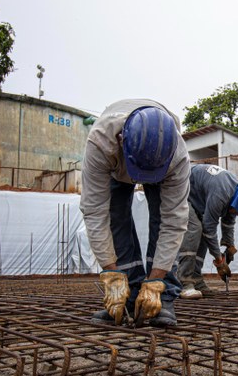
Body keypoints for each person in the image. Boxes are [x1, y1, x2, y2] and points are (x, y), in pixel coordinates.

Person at [80, 99, 190, 327]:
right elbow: (95, 213)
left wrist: (156, 281)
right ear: (121, 140)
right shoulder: (100, 144)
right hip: (115, 165)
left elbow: (174, 222)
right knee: (114, 218)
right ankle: (126, 297)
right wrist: (113, 277)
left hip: (162, 167)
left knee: (162, 220)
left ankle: (163, 297)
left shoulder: (177, 157)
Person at [176, 164, 238, 299]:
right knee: (195, 229)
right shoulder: (221, 194)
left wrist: (229, 245)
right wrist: (219, 260)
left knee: (202, 231)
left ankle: (196, 280)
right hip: (182, 189)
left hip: (197, 196)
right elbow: (209, 230)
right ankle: (184, 282)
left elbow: (228, 222)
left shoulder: (237, 193)